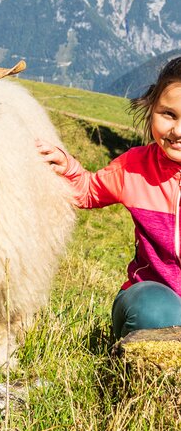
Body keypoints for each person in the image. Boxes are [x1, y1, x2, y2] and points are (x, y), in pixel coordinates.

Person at [37, 56, 181, 341]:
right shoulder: (134, 167)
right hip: (149, 299)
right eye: (169, 115)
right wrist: (69, 168)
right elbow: (89, 191)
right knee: (157, 312)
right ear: (151, 108)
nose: (178, 131)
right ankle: (138, 371)